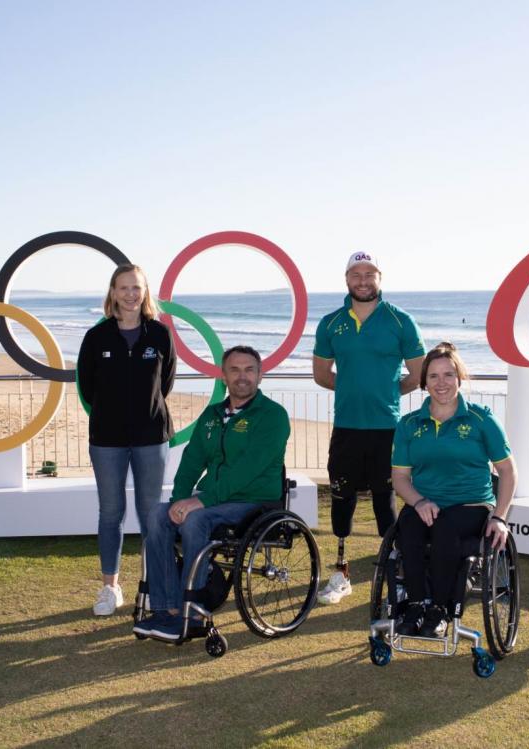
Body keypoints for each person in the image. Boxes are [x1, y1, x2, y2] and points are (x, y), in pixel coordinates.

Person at [133, 345, 291, 641]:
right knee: (157, 514)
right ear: (223, 377)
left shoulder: (273, 416)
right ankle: (165, 610)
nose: (242, 376)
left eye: (249, 370)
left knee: (196, 521)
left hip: (254, 501)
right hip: (214, 498)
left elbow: (247, 470)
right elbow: (192, 461)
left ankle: (192, 611)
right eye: (234, 369)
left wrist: (200, 501)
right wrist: (179, 500)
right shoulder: (212, 414)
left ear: (260, 376)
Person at [312, 251, 425, 605]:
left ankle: (394, 573)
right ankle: (341, 573)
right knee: (342, 499)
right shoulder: (331, 323)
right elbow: (320, 374)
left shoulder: (400, 320)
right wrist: (351, 390)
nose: (363, 280)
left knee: (385, 499)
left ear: (380, 277)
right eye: (356, 274)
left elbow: (419, 373)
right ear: (347, 280)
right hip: (346, 427)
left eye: (369, 274)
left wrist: (390, 392)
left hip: (387, 429)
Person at [390, 342, 515, 638]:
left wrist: (500, 517)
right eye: (433, 376)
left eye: (448, 375)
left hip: (472, 506)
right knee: (408, 525)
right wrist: (418, 502)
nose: (441, 383)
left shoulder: (481, 420)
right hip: (425, 503)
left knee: (445, 527)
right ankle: (417, 605)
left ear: (459, 378)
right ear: (424, 383)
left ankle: (441, 610)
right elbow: (400, 478)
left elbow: (508, 472)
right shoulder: (408, 424)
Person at [77, 263, 176, 616]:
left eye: (137, 288)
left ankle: (151, 588)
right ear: (113, 292)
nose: (131, 294)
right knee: (111, 512)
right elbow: (87, 387)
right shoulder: (97, 337)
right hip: (107, 439)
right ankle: (110, 588)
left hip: (152, 438)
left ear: (145, 292)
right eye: (124, 288)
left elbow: (164, 384)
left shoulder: (160, 335)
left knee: (151, 515)